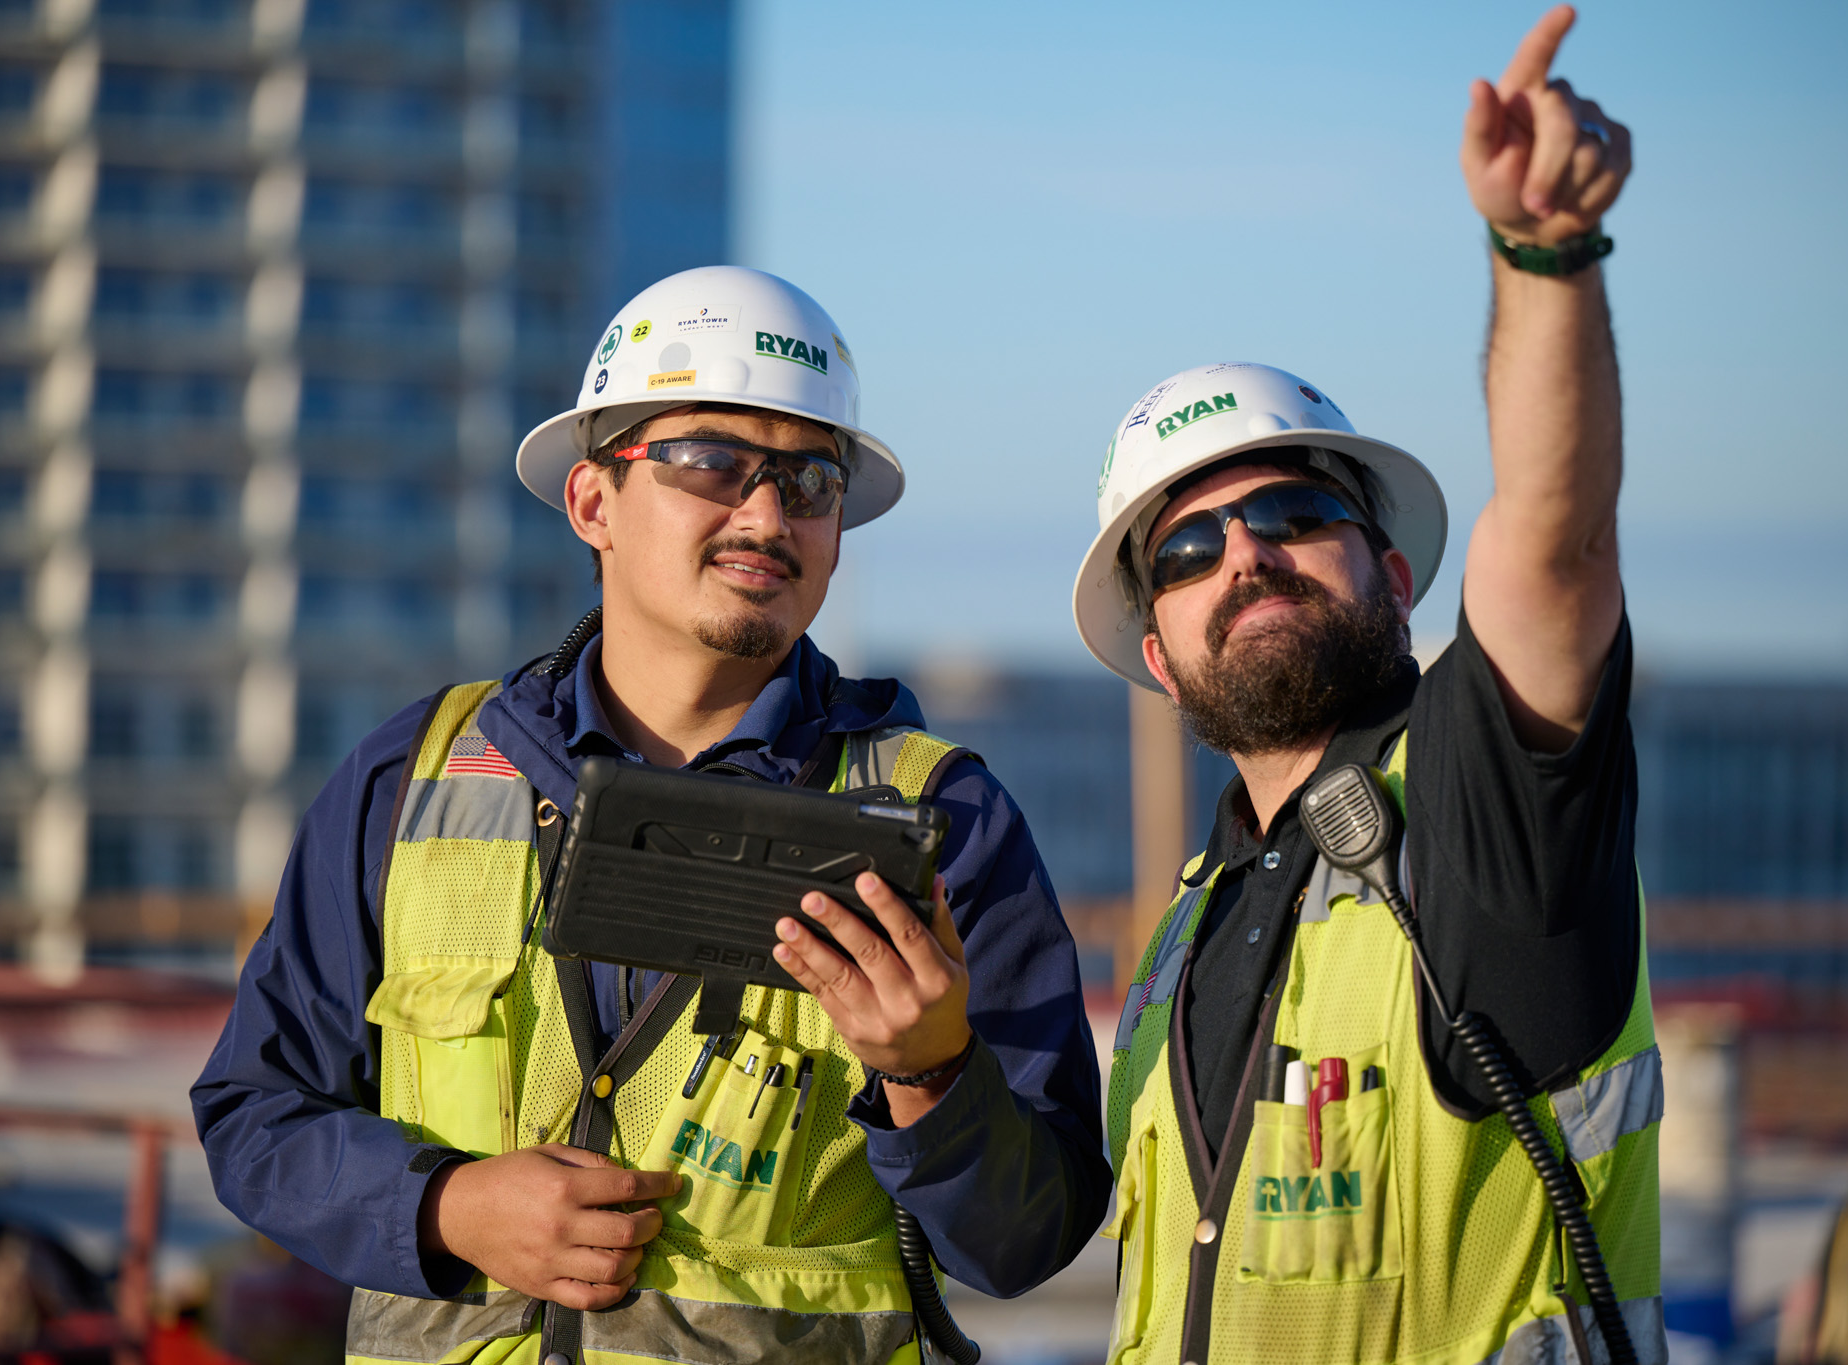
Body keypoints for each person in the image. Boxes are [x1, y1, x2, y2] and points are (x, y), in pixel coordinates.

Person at [193, 266, 1109, 1365]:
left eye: (808, 481)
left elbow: (1026, 1240)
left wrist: (930, 1075)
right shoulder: (416, 776)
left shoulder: (935, 814)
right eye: (711, 463)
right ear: (594, 503)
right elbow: (255, 1114)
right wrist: (446, 1209)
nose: (765, 515)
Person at [1072, 9, 1663, 1365]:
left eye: (1291, 510)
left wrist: (1544, 256)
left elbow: (1556, 550)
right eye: (1189, 548)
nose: (1250, 555)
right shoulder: (1184, 936)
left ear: (1396, 576)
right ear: (1156, 655)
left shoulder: (1480, 815)